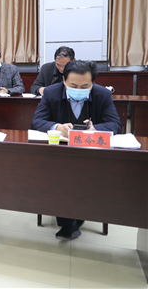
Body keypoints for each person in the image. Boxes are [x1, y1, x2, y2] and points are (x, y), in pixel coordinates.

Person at [31, 60, 121, 240]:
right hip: (59, 154)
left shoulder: (102, 94)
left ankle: (75, 217)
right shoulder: (51, 92)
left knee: (83, 176)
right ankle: (70, 222)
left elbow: (115, 124)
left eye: (85, 86)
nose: (79, 89)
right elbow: (37, 121)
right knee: (61, 175)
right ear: (64, 80)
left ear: (92, 83)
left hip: (92, 153)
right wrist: (57, 127)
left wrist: (96, 129)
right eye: (73, 85)